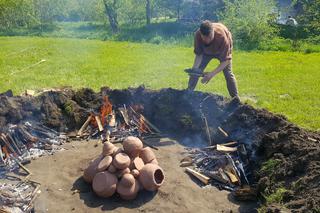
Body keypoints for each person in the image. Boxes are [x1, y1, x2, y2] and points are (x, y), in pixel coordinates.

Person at [188, 20, 239, 100]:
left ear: (213, 32)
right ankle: (188, 93)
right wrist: (194, 70)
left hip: (221, 51)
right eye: (204, 38)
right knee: (196, 71)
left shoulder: (222, 37)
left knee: (228, 74)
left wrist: (211, 74)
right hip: (206, 52)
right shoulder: (198, 35)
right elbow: (199, 54)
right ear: (201, 34)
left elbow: (226, 60)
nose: (207, 41)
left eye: (209, 37)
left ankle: (236, 99)